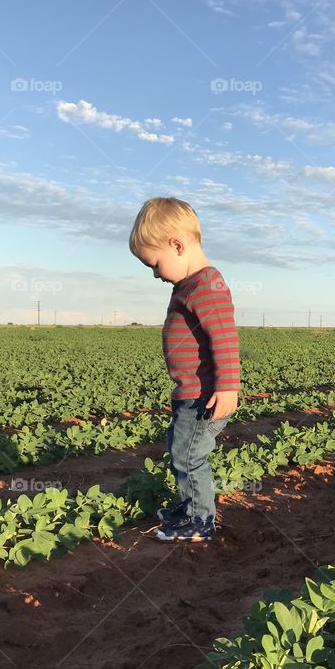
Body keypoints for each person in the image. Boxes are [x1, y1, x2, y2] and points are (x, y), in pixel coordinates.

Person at [129, 197, 240, 542]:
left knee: (189, 456)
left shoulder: (206, 285)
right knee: (181, 450)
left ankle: (200, 521)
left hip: (204, 396)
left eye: (155, 264)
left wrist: (227, 387)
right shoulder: (190, 285)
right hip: (190, 393)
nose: (155, 274)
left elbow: (223, 338)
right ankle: (189, 506)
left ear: (177, 245)